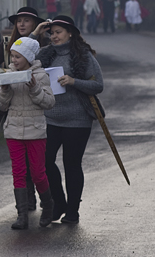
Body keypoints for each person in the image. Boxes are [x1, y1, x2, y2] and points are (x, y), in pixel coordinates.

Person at [35, 15, 104, 225]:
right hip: (50, 118)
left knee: (71, 164)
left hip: (78, 119)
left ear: (70, 33)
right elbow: (21, 55)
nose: (54, 36)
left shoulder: (83, 56)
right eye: (52, 33)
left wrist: (74, 81)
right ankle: (59, 203)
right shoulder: (44, 54)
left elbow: (98, 85)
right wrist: (35, 33)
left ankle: (72, 210)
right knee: (45, 162)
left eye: (58, 32)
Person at [0, 6, 45, 211]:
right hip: (14, 104)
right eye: (19, 21)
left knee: (39, 162)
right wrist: (4, 79)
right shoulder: (9, 44)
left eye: (27, 20)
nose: (22, 24)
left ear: (35, 24)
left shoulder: (45, 44)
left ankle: (48, 199)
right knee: (20, 162)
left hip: (40, 104)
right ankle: (26, 202)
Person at [0, 37, 55, 230]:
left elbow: (49, 103)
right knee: (18, 173)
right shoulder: (8, 74)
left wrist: (35, 87)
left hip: (35, 131)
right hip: (13, 130)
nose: (14, 60)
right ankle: (22, 215)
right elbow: (0, 105)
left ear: (28, 57)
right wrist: (4, 91)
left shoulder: (41, 75)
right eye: (12, 56)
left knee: (38, 173)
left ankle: (48, 206)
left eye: (18, 57)